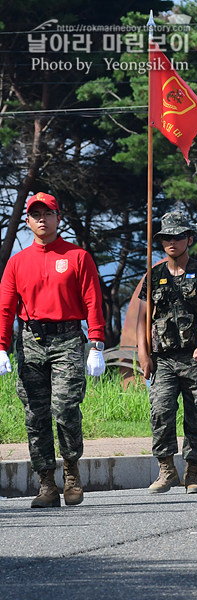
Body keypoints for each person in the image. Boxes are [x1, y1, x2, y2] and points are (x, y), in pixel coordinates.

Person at [0, 192, 106, 508]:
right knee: (35, 413)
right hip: (31, 341)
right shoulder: (18, 262)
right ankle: (46, 482)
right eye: (35, 215)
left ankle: (72, 471)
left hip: (68, 339)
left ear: (59, 218)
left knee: (65, 407)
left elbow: (93, 301)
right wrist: (1, 347)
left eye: (47, 213)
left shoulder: (77, 256)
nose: (41, 219)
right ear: (28, 221)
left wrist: (97, 344)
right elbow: (6, 308)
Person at [137, 211, 197, 494]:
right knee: (160, 412)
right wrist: (143, 353)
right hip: (163, 359)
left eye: (177, 236)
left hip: (196, 357)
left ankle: (194, 472)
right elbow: (143, 318)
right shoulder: (154, 275)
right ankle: (166, 469)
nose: (171, 242)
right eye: (166, 237)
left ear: (189, 238)